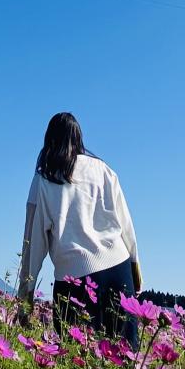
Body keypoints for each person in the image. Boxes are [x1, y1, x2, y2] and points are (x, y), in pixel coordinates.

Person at [17, 111, 142, 348]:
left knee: (79, 363)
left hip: (76, 279)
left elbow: (32, 243)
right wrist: (134, 269)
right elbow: (126, 224)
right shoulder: (104, 170)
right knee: (126, 357)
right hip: (119, 267)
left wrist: (26, 296)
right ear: (79, 138)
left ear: (49, 139)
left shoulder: (44, 179)